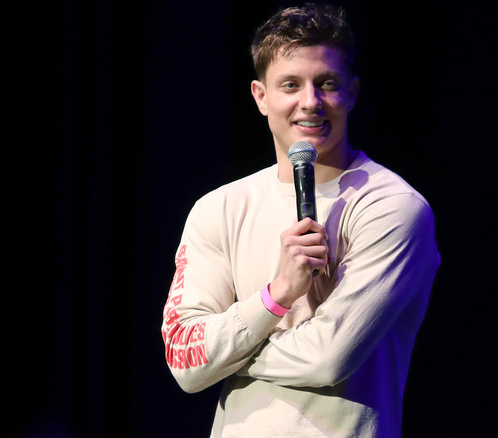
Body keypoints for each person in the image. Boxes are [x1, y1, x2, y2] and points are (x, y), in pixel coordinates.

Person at [161, 4, 440, 437]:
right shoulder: (218, 208)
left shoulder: (391, 207)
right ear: (261, 96)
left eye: (326, 84)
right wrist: (276, 297)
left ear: (351, 91)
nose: (310, 102)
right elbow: (186, 365)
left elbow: (327, 358)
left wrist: (227, 352)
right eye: (290, 84)